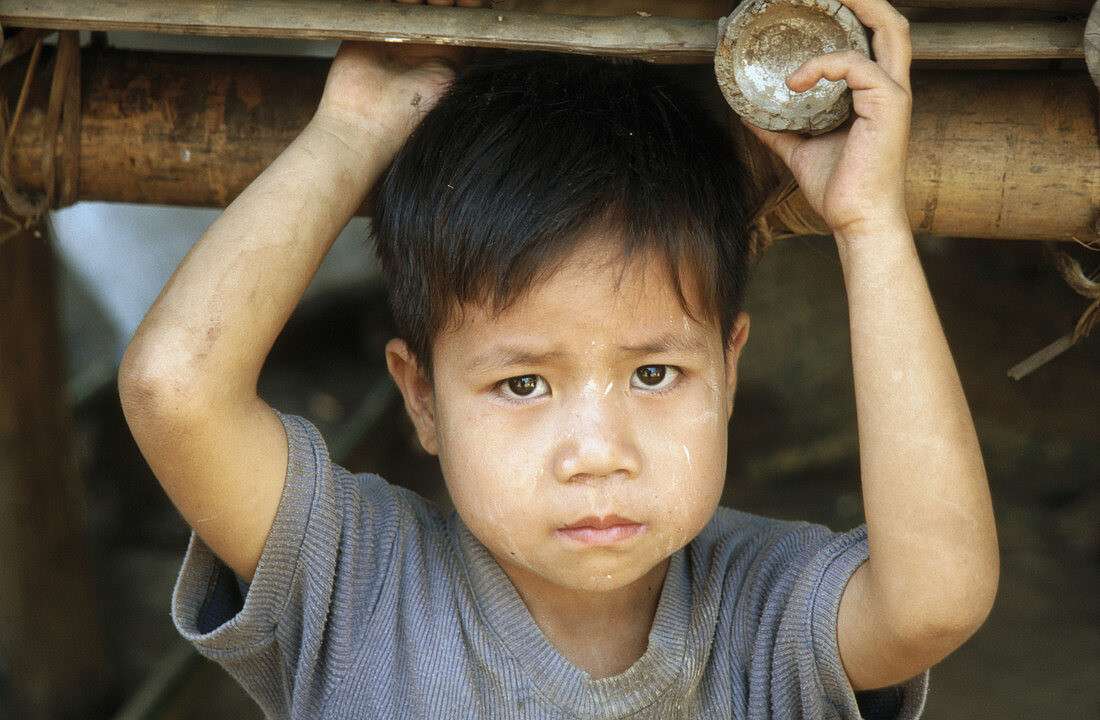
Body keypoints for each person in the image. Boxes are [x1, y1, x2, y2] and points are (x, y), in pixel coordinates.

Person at [118, 0, 998, 717]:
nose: (597, 454)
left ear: (728, 370)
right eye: (523, 382)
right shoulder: (355, 583)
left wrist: (868, 225)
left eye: (654, 373)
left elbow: (939, 596)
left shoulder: (766, 616)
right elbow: (174, 386)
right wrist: (351, 128)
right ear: (420, 399)